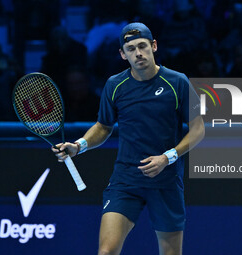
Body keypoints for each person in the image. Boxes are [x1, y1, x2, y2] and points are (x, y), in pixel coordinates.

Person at [52, 22, 205, 255]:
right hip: (126, 181)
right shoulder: (115, 85)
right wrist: (78, 146)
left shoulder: (177, 82)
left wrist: (167, 158)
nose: (138, 53)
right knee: (106, 252)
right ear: (123, 54)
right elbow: (103, 127)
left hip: (166, 182)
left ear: (154, 46)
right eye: (131, 48)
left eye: (142, 46)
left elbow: (198, 130)